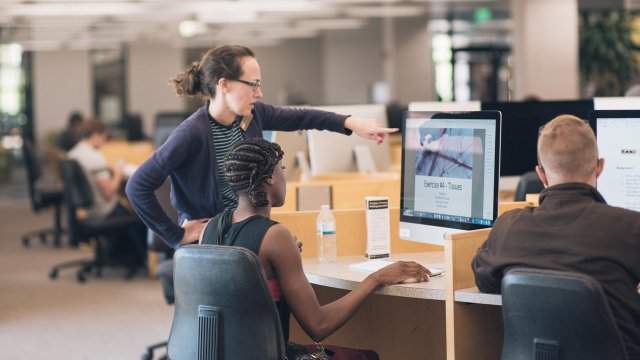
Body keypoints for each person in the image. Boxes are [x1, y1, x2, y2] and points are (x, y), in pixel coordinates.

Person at [126, 44, 398, 250]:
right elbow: (137, 186)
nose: (259, 93)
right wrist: (176, 235)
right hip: (214, 243)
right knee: (286, 260)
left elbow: (303, 116)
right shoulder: (192, 133)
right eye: (253, 84)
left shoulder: (252, 115)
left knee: (289, 254)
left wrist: (351, 123)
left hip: (243, 231)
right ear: (224, 85)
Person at [199, 138, 432, 358]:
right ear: (270, 177)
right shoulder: (275, 235)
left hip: (220, 354)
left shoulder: (210, 228)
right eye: (282, 168)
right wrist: (377, 277)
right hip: (272, 355)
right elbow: (319, 325)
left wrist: (284, 257)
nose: (284, 176)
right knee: (365, 357)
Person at [471, 115, 640, 359]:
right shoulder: (630, 227)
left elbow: (485, 282)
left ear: (541, 174)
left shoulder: (508, 227)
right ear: (600, 166)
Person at [68, 119, 147, 270]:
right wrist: (117, 172)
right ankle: (140, 260)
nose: (104, 142)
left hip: (87, 209)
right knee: (141, 217)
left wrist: (108, 169)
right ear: (97, 134)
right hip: (104, 210)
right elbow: (109, 193)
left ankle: (116, 252)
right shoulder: (94, 158)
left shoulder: (74, 153)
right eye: (104, 137)